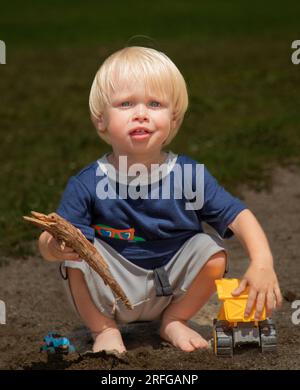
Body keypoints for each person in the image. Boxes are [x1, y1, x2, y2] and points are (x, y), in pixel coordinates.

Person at [38, 46, 282, 354]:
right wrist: (53, 247)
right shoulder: (87, 183)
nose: (141, 113)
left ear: (173, 119)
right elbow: (51, 240)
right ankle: (104, 329)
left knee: (211, 252)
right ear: (101, 120)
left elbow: (238, 214)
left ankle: (174, 321)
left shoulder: (189, 175)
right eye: (126, 103)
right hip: (110, 288)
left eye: (154, 103)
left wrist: (262, 261)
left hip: (171, 286)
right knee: (79, 258)